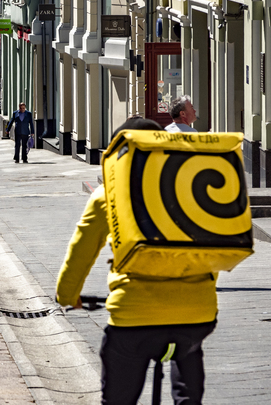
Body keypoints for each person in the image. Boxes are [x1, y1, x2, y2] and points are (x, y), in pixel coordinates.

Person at [56, 118, 219, 405]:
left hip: (134, 317)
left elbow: (81, 250)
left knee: (118, 396)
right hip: (197, 314)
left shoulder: (108, 194)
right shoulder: (189, 189)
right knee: (189, 355)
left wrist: (68, 295)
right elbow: (211, 248)